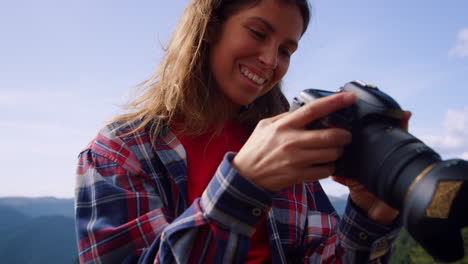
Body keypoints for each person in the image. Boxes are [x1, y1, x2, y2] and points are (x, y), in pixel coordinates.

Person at [75, 0, 411, 263]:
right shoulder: (120, 152)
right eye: (257, 33)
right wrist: (243, 186)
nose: (270, 60)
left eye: (285, 50)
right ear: (209, 27)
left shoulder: (288, 145)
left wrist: (369, 216)